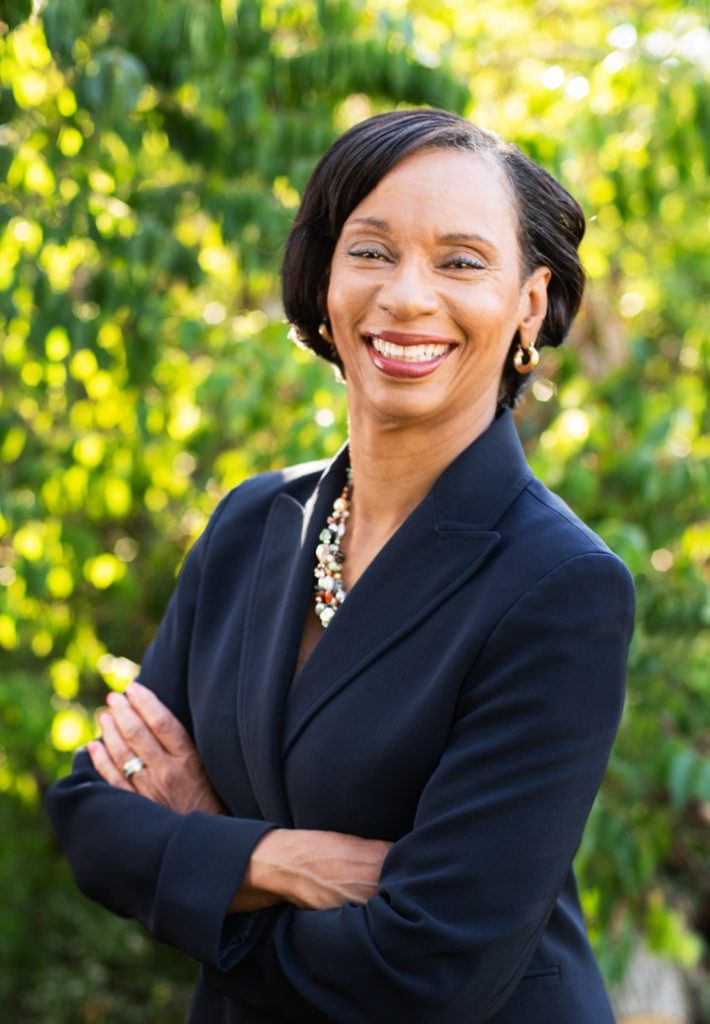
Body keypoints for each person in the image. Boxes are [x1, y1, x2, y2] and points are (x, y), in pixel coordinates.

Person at [46, 108, 635, 1023]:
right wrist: (272, 860)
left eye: (461, 261)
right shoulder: (252, 521)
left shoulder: (559, 586)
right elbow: (91, 814)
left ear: (527, 304)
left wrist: (199, 850)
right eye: (371, 250)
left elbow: (426, 973)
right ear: (323, 279)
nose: (406, 295)